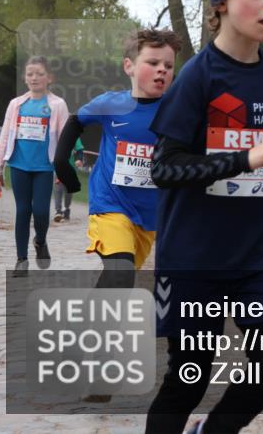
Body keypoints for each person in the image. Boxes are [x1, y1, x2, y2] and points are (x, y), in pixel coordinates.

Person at [144, 0, 263, 434]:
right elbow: (165, 168)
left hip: (255, 258)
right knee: (189, 378)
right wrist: (240, 159)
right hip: (192, 258)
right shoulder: (197, 77)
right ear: (220, 3)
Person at [54, 29, 181, 291]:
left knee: (118, 281)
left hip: (149, 215)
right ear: (129, 66)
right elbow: (76, 121)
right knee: (121, 274)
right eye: (153, 63)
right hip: (110, 204)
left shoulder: (177, 108)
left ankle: (86, 326)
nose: (162, 71)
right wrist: (61, 162)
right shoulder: (111, 104)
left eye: (168, 66)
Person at [0, 56, 68, 275]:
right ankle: (21, 259)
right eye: (30, 74)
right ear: (25, 78)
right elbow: (6, 136)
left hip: (44, 167)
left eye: (39, 74)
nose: (34, 78)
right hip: (19, 165)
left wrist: (63, 170)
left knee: (42, 212)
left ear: (49, 78)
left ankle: (40, 241)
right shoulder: (16, 104)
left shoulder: (57, 105)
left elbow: (65, 139)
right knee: (23, 211)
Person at [52, 137, 84, 222]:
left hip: (70, 167)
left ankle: (66, 209)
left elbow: (80, 149)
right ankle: (58, 211)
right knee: (57, 189)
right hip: (57, 166)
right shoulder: (55, 133)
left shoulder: (73, 135)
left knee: (68, 191)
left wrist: (79, 159)